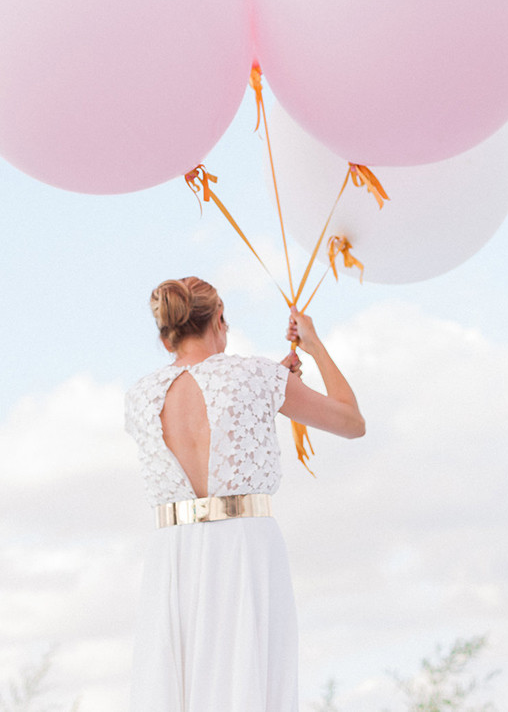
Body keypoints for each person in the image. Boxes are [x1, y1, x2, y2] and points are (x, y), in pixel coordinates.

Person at [125, 276, 365, 712]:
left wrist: (270, 385)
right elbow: (351, 421)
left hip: (172, 555)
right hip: (244, 548)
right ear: (219, 319)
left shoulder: (139, 396)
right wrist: (312, 347)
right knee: (247, 678)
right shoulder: (256, 376)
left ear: (166, 338)